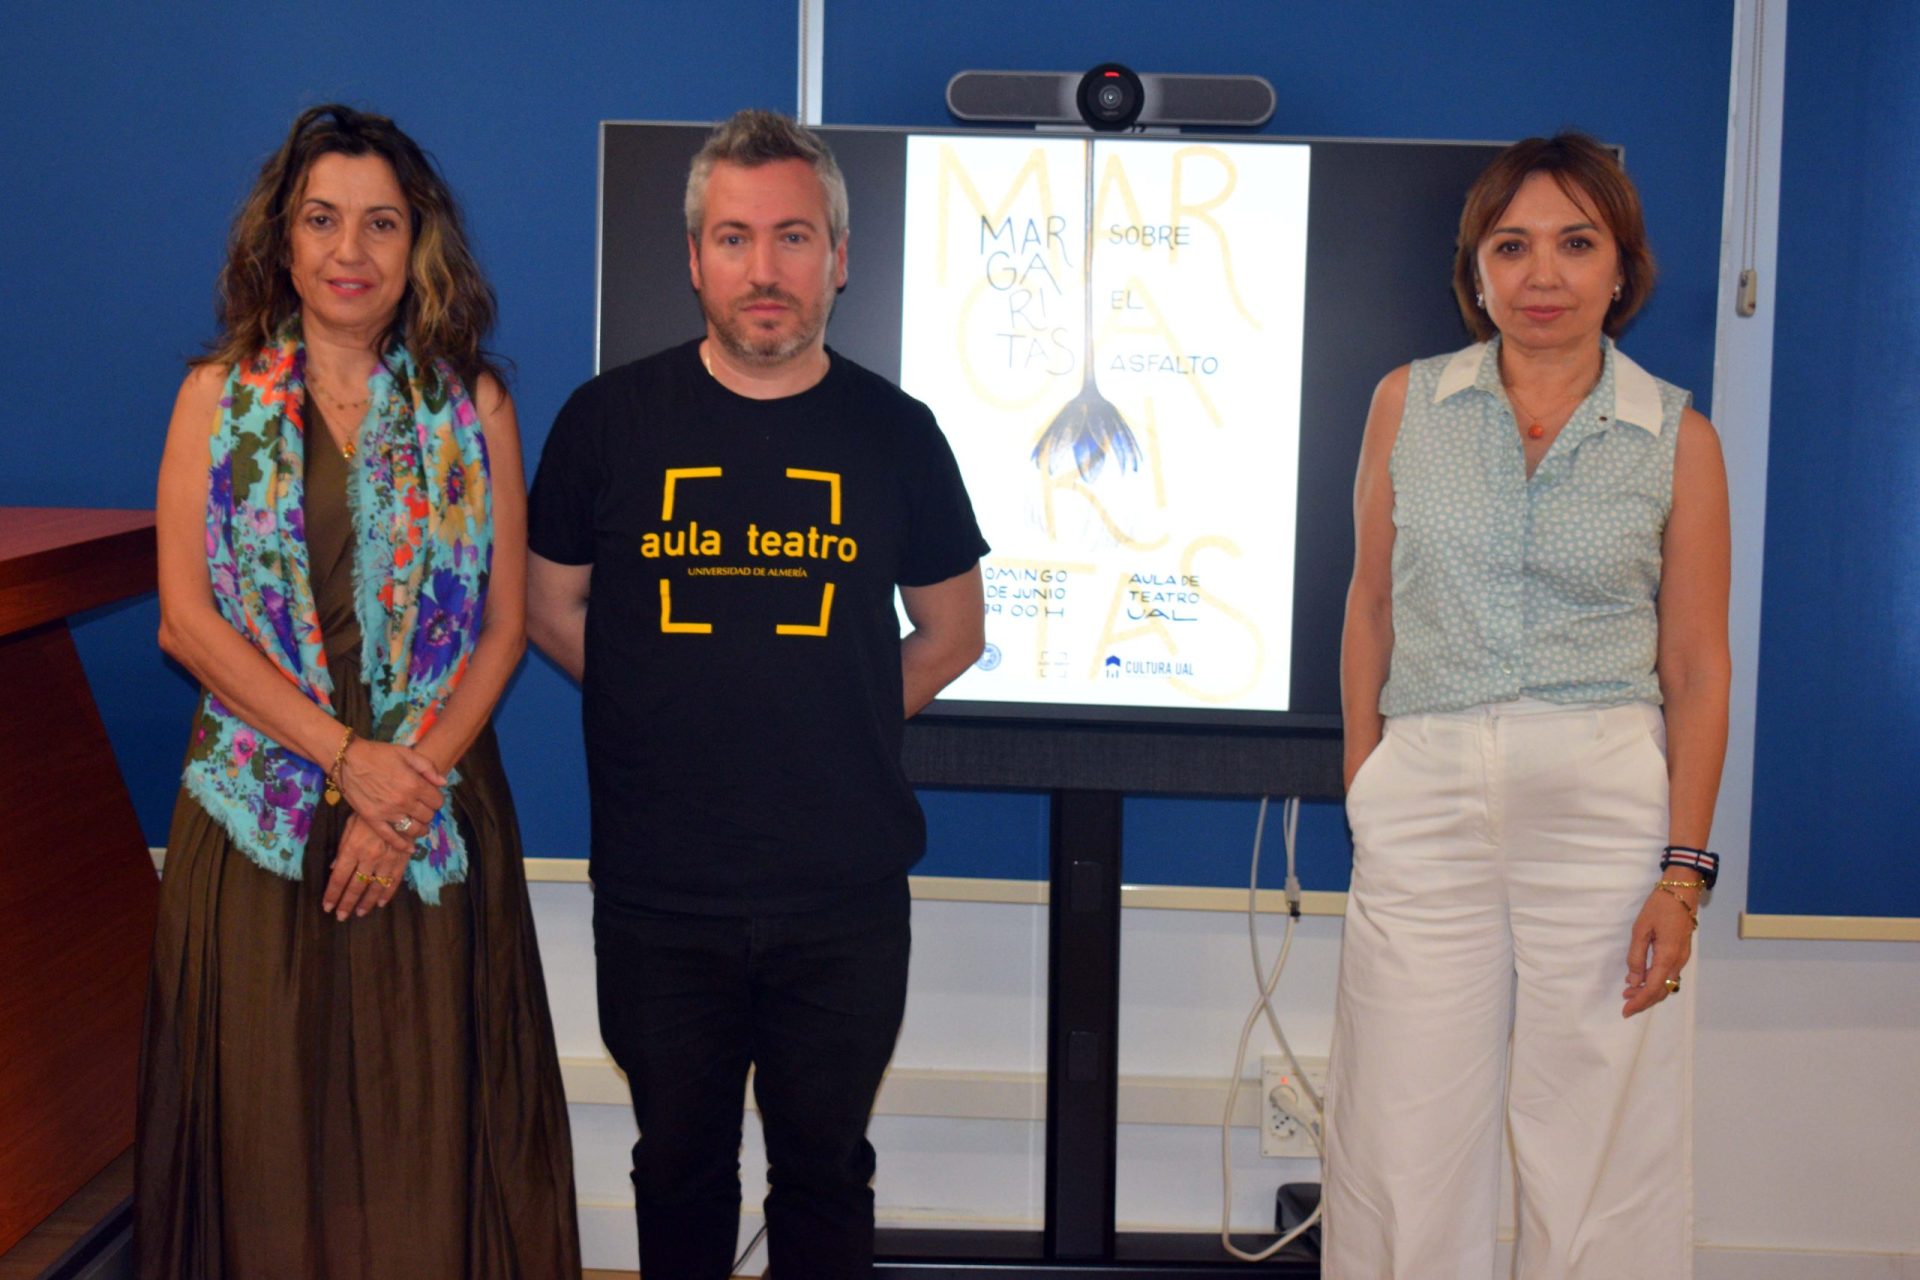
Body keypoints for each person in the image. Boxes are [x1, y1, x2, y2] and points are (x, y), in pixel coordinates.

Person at [526, 109, 988, 1278]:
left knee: (825, 1173)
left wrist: (832, 715)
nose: (764, 268)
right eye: (734, 239)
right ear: (694, 259)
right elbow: (547, 606)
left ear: (839, 257)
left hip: (842, 898)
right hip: (659, 895)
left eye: (793, 236)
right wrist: (659, 699)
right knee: (678, 1169)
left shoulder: (899, 435)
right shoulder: (605, 423)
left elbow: (953, 632)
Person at [139, 105, 580, 1278]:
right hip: (257, 815)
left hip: (433, 808)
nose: (351, 250)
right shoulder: (215, 397)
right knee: (265, 1133)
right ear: (280, 241)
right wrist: (347, 759)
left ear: (417, 242)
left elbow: (503, 627)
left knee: (419, 1126)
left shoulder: (474, 405)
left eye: (381, 223)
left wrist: (402, 789)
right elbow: (186, 620)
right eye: (322, 219)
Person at [1324, 132, 1731, 1280]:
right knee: (1398, 1129)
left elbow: (1697, 665)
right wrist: (1368, 783)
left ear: (1622, 266)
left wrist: (1682, 874)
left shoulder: (1678, 437)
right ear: (1476, 267)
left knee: (1602, 1138)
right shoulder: (1407, 403)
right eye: (1512, 245)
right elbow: (1369, 605)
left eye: (1575, 243)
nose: (1541, 273)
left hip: (1605, 804)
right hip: (1424, 789)